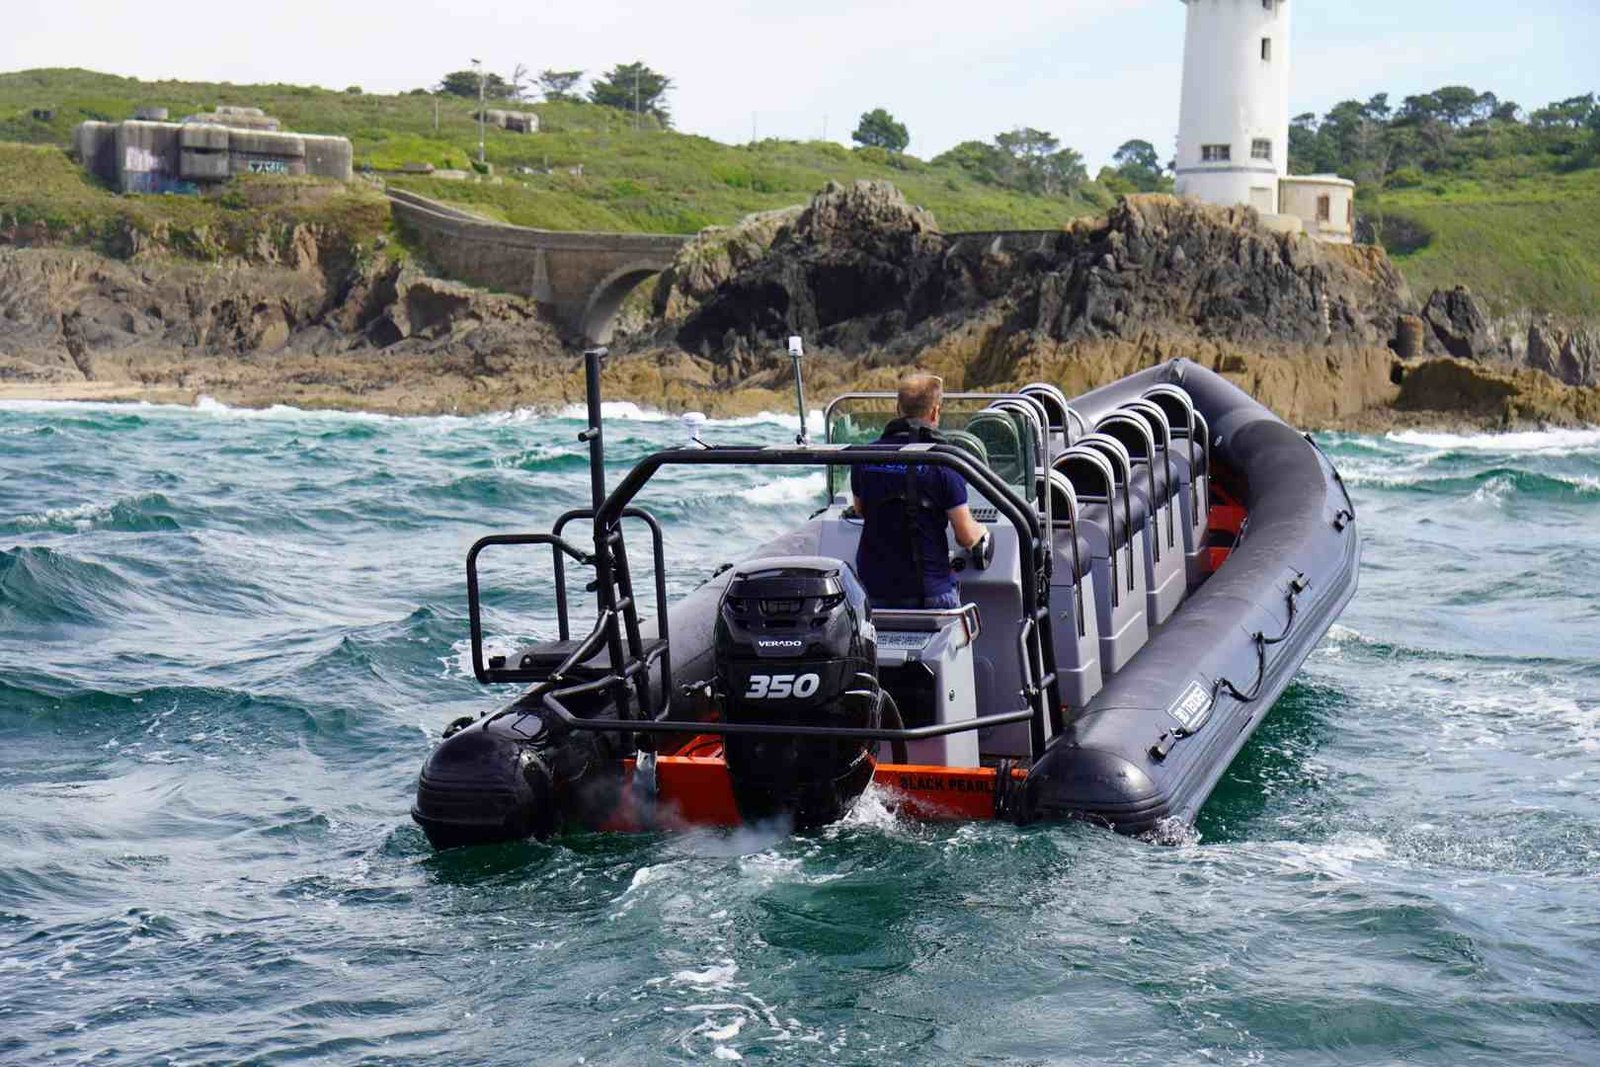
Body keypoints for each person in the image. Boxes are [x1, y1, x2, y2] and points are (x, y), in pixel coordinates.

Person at [850, 373, 991, 610]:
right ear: (935, 412)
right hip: (930, 594)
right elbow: (965, 536)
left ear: (898, 409)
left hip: (872, 591)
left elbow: (860, 509)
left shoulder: (865, 457)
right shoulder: (945, 461)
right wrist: (982, 531)